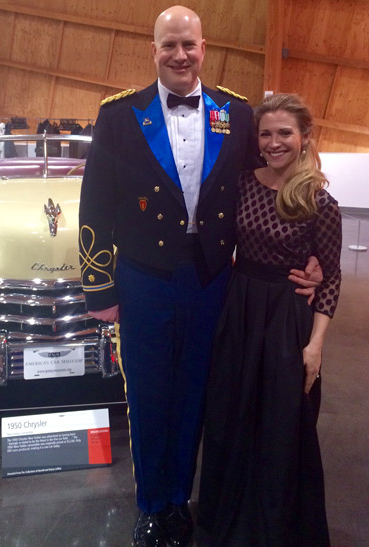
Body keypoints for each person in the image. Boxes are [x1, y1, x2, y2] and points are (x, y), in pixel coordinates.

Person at [78, 7, 321, 546]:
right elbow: (94, 202)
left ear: (203, 48)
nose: (180, 55)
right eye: (169, 46)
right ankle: (151, 504)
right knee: (147, 392)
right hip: (143, 277)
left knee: (194, 393)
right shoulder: (119, 114)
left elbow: (270, 179)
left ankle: (179, 501)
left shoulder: (235, 113)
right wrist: (99, 288)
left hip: (213, 280)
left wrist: (311, 250)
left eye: (188, 44)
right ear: (154, 49)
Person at [197, 93, 342, 547]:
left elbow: (332, 278)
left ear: (303, 138)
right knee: (231, 414)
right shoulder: (241, 183)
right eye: (266, 133)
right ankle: (227, 519)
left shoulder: (319, 201)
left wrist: (315, 346)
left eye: (285, 133)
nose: (275, 142)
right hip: (239, 310)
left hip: (286, 320)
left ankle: (277, 527)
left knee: (282, 424)